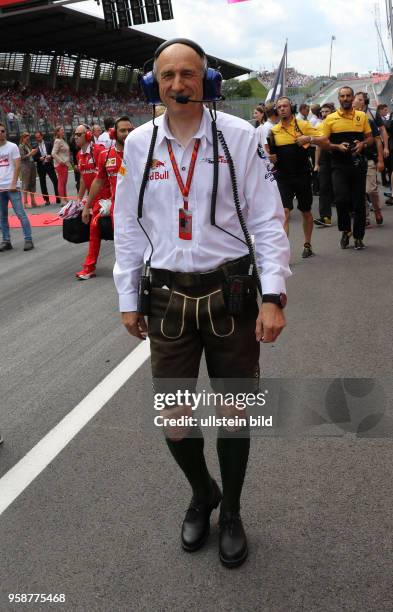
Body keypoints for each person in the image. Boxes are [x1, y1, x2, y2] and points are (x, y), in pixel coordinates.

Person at [114, 38, 291, 568]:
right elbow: (126, 225)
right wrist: (128, 296)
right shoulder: (138, 145)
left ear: (206, 80)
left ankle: (232, 510)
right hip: (167, 296)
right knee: (174, 416)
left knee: (236, 413)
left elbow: (267, 221)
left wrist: (273, 295)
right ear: (153, 84)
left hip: (232, 293)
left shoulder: (239, 137)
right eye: (166, 76)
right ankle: (202, 491)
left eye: (188, 74)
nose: (177, 85)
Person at [269, 96, 327, 257]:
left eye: (285, 106)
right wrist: (270, 158)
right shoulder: (273, 131)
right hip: (282, 176)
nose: (282, 109)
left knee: (306, 211)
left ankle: (307, 244)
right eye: (279, 107)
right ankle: (283, 252)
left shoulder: (303, 125)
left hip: (302, 175)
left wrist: (309, 138)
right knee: (285, 212)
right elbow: (270, 154)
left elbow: (324, 138)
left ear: (291, 107)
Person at [79, 116, 133, 279]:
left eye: (130, 130)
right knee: (122, 245)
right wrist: (87, 205)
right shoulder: (105, 155)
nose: (126, 133)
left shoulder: (143, 152)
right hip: (118, 209)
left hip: (142, 208)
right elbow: (98, 181)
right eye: (122, 130)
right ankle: (126, 275)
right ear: (113, 133)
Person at [323, 87, 373, 250]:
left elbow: (370, 138)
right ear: (339, 99)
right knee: (341, 199)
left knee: (359, 202)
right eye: (342, 96)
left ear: (352, 98)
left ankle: (359, 237)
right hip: (338, 165)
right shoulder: (330, 119)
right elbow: (324, 143)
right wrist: (337, 146)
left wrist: (362, 144)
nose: (345, 98)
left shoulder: (361, 116)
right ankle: (346, 230)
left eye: (348, 96)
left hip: (358, 165)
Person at [74, 124, 106, 280]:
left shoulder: (99, 151)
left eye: (78, 134)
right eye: (74, 134)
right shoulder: (79, 155)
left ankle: (89, 267)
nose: (75, 137)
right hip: (93, 199)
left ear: (87, 135)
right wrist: (79, 200)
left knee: (94, 227)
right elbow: (82, 179)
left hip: (106, 198)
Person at [0, 122, 34, 252]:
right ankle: (6, 241)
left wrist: (14, 183)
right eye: (0, 131)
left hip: (12, 186)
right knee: (2, 216)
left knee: (20, 213)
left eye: (3, 131)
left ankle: (28, 239)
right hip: (0, 188)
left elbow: (18, 166)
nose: (1, 133)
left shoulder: (12, 146)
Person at [353, 92, 384, 226]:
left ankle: (377, 210)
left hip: (369, 158)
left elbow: (377, 140)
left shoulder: (369, 121)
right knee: (359, 191)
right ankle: (365, 217)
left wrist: (381, 159)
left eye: (359, 102)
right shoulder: (343, 122)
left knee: (370, 190)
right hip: (353, 161)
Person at [313, 104, 335, 227]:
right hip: (325, 160)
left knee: (340, 188)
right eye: (322, 112)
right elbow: (318, 146)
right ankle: (325, 217)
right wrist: (316, 164)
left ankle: (351, 211)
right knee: (324, 188)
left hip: (338, 158)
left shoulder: (337, 124)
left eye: (327, 111)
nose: (324, 113)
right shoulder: (319, 126)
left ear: (332, 112)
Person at [33, 130, 60, 205]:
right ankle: (46, 200)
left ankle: (58, 197)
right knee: (42, 183)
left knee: (55, 180)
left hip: (49, 164)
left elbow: (53, 153)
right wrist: (39, 159)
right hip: (40, 166)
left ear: (42, 136)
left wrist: (50, 156)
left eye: (39, 137)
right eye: (36, 138)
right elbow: (34, 158)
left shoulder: (48, 144)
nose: (38, 138)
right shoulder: (34, 146)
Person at [19, 132, 38, 207]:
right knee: (26, 183)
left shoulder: (28, 145)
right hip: (25, 166)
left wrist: (34, 152)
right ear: (23, 138)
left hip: (32, 164)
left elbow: (30, 155)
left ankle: (33, 201)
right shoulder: (21, 146)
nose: (28, 139)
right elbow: (22, 157)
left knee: (33, 182)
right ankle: (25, 202)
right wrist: (30, 153)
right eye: (26, 138)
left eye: (28, 138)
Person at [52, 125, 70, 199]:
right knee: (61, 182)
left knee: (64, 182)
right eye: (61, 130)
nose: (63, 131)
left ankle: (65, 198)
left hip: (65, 164)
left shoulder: (62, 140)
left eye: (63, 130)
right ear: (57, 132)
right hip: (61, 164)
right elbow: (53, 153)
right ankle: (63, 199)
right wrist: (60, 161)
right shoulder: (57, 141)